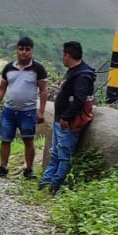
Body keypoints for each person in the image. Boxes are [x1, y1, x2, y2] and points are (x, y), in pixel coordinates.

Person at [40, 41, 95, 194]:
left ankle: (55, 185)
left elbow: (79, 99)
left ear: (67, 55)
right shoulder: (74, 71)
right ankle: (45, 183)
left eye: (63, 55)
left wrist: (66, 117)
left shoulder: (82, 75)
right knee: (56, 153)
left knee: (64, 155)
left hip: (68, 123)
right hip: (61, 120)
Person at [0, 35, 48, 179]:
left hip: (27, 112)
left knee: (28, 140)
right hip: (9, 110)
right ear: (17, 50)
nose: (24, 52)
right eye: (21, 49)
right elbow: (2, 88)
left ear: (32, 51)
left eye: (27, 49)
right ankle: (3, 167)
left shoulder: (38, 69)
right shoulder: (9, 68)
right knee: (5, 139)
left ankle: (28, 170)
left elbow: (43, 90)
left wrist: (41, 111)